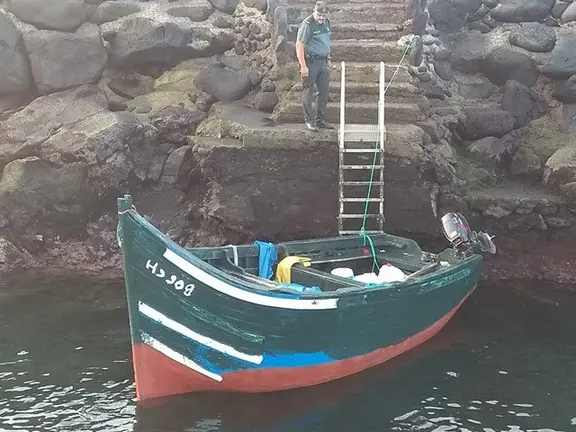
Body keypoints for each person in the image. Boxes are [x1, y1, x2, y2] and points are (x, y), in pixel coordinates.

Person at [295, 1, 334, 132]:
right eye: (319, 15)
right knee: (308, 91)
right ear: (314, 11)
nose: (321, 18)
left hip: (323, 61)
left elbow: (326, 42)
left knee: (324, 91)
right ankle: (309, 121)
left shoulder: (326, 23)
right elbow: (299, 45)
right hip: (311, 61)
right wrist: (303, 66)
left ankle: (320, 119)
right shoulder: (307, 24)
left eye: (323, 15)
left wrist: (328, 58)